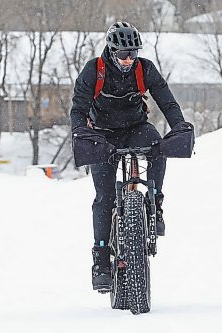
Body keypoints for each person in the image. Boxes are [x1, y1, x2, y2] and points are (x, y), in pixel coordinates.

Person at [70, 22, 185, 291]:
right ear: (111, 50)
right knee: (105, 197)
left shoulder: (144, 68)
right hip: (102, 133)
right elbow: (78, 109)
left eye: (132, 53)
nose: (128, 59)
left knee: (158, 146)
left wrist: (179, 127)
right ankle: (100, 259)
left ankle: (155, 205)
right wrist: (82, 134)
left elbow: (167, 102)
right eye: (123, 54)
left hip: (135, 128)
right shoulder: (93, 70)